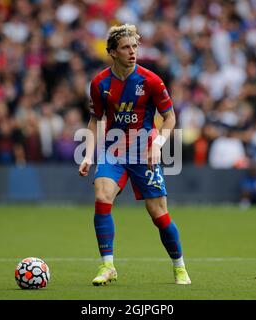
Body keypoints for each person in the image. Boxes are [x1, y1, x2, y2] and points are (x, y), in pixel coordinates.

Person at [78, 24, 191, 286]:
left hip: (144, 152)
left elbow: (170, 117)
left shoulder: (151, 80)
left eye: (134, 47)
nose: (132, 52)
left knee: (158, 214)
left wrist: (159, 142)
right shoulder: (99, 83)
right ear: (112, 53)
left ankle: (179, 266)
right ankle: (108, 266)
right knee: (102, 196)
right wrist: (87, 155)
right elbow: (95, 120)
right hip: (113, 151)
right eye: (126, 48)